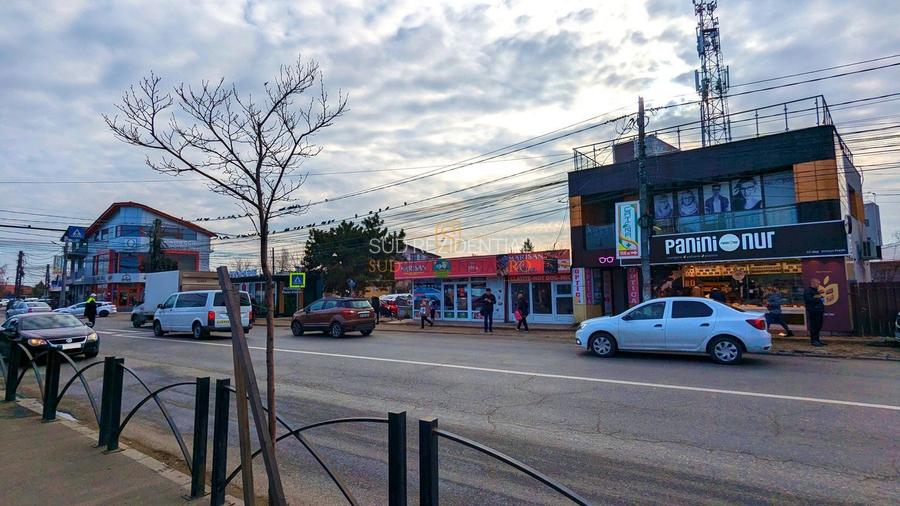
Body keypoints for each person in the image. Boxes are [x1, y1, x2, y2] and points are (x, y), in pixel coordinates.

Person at [804, 278, 827, 346]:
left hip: (818, 311)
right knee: (814, 326)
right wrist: (819, 299)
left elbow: (818, 297)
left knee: (818, 326)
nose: (818, 285)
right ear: (813, 283)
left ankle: (817, 340)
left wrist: (821, 298)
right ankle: (814, 341)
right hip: (813, 311)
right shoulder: (808, 291)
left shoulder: (815, 291)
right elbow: (809, 299)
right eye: (818, 284)